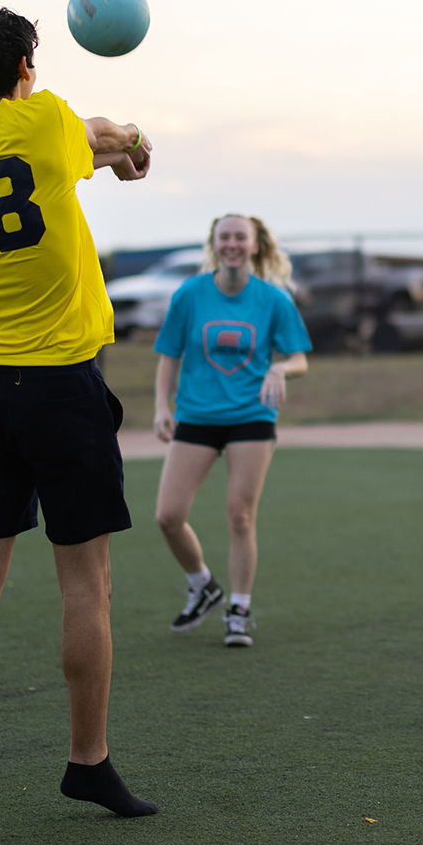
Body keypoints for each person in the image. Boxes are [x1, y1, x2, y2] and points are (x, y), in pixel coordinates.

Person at [0, 4, 158, 835]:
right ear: (25, 68)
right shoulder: (48, 121)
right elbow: (102, 131)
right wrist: (134, 140)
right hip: (58, 386)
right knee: (86, 584)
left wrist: (111, 150)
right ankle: (88, 761)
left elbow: (79, 142)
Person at [153, 214, 312, 647]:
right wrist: (161, 405)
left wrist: (281, 368)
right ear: (214, 244)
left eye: (241, 237)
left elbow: (299, 358)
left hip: (251, 416)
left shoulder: (273, 299)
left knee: (240, 515)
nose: (232, 244)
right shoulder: (190, 294)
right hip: (196, 415)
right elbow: (169, 354)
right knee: (168, 516)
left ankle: (238, 609)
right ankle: (202, 584)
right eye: (224, 237)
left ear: (255, 245)